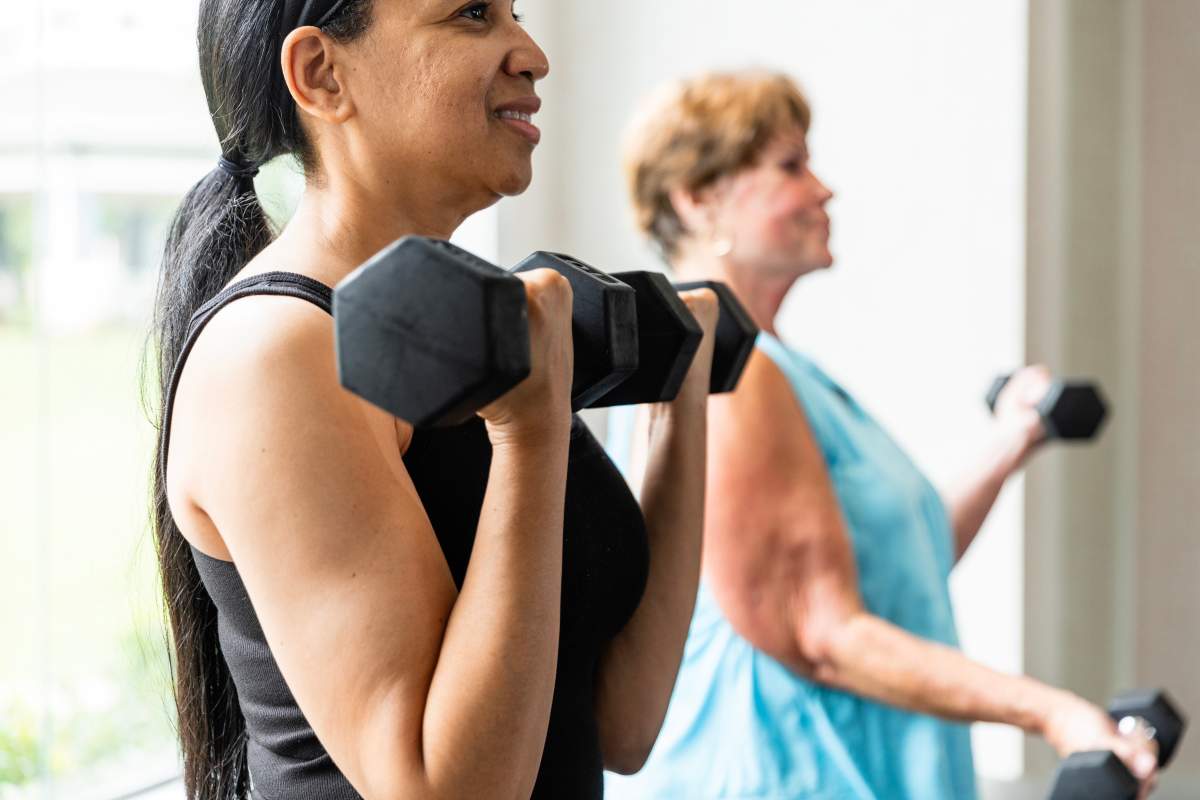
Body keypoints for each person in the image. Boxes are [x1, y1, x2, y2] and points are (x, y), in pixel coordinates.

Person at [149, 2, 717, 798]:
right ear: (322, 74)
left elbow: (624, 719)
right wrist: (529, 433)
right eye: (472, 16)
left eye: (516, 14)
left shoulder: (479, 331)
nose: (530, 54)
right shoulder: (278, 353)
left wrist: (682, 402)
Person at [604, 70, 1157, 800]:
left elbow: (901, 565)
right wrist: (1051, 713)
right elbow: (818, 628)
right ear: (699, 197)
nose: (823, 190)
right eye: (791, 166)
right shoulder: (730, 377)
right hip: (775, 774)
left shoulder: (787, 370)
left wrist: (1014, 442)